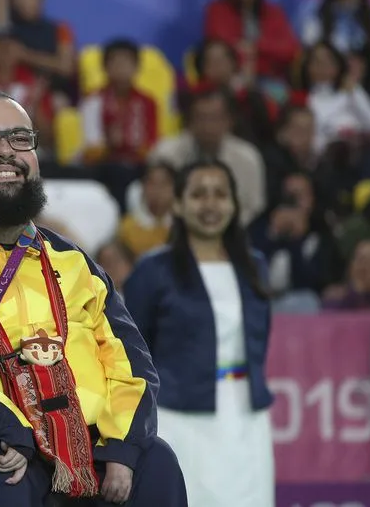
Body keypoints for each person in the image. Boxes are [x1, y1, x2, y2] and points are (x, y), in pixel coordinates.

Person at [0, 91, 186, 507]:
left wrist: (123, 448)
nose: (6, 152)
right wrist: (9, 431)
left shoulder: (76, 264)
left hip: (86, 445)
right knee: (2, 477)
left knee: (157, 462)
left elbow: (131, 367)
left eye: (21, 139)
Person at [123, 158, 275, 507]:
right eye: (199, 194)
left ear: (234, 205)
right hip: (178, 416)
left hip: (246, 418)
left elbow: (260, 339)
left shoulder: (255, 267)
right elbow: (130, 351)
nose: (210, 204)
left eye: (220, 194)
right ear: (178, 203)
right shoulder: (152, 269)